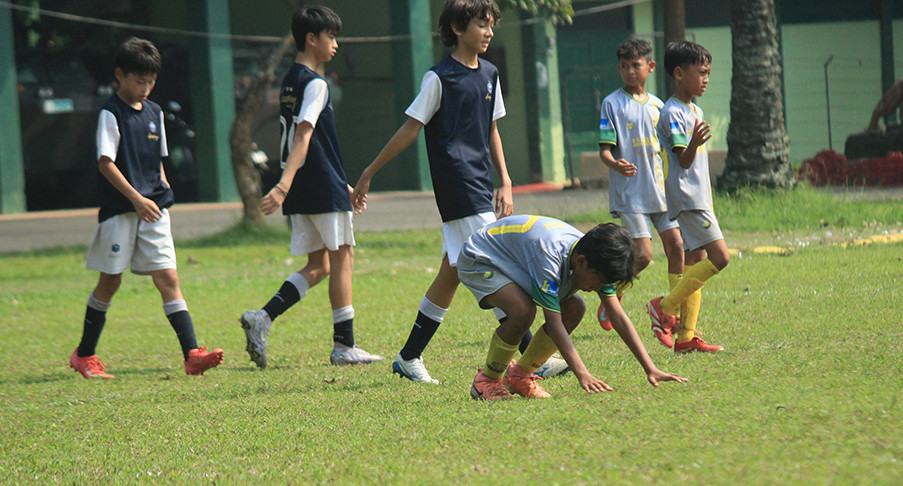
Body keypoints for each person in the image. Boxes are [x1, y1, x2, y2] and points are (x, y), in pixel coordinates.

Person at [351, 0, 567, 384]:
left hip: (482, 183)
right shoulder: (439, 78)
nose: (489, 32)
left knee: (451, 272)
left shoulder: (490, 73)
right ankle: (534, 356)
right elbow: (410, 129)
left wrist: (505, 179)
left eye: (491, 25)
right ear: (455, 27)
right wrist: (368, 173)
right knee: (497, 264)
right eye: (481, 24)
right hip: (458, 186)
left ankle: (409, 356)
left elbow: (492, 129)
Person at [69, 37, 223, 379]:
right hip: (121, 211)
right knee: (110, 282)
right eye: (139, 81)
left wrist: (162, 188)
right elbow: (106, 163)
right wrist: (136, 199)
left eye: (151, 82)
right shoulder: (111, 114)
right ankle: (84, 354)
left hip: (154, 209)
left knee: (168, 277)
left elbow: (158, 160)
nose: (145, 88)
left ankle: (192, 355)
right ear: (120, 75)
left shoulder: (155, 113)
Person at [240, 6, 384, 370]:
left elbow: (310, 142)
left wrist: (340, 184)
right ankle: (344, 345)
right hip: (312, 183)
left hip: (310, 184)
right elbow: (304, 134)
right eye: (331, 37)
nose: (335, 44)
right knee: (343, 257)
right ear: (311, 39)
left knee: (318, 265)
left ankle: (263, 317)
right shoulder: (317, 83)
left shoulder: (290, 80)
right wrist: (282, 186)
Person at [457, 216, 688, 400]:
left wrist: (650, 368)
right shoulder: (549, 255)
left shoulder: (595, 256)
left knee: (575, 307)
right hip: (481, 258)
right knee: (523, 311)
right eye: (597, 282)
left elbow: (618, 317)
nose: (596, 288)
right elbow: (555, 325)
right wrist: (582, 373)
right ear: (580, 262)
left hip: (516, 262)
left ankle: (520, 375)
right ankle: (486, 381)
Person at [596, 37, 684, 342]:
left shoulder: (660, 106)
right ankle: (613, 293)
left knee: (677, 248)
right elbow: (605, 150)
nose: (630, 71)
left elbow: (673, 151)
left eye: (636, 65)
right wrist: (615, 164)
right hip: (631, 194)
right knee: (643, 256)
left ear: (650, 66)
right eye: (624, 66)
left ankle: (673, 314)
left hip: (661, 192)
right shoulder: (612, 103)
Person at [648, 40, 729, 354]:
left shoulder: (694, 108)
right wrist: (694, 141)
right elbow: (683, 160)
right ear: (679, 74)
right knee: (720, 258)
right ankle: (663, 306)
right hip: (689, 197)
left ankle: (685, 338)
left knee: (695, 261)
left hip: (698, 196)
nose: (706, 78)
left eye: (708, 72)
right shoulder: (673, 113)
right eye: (701, 72)